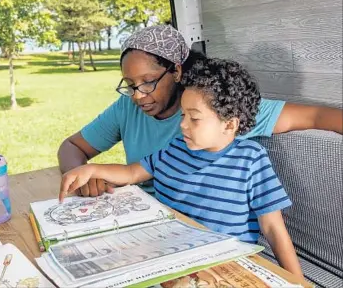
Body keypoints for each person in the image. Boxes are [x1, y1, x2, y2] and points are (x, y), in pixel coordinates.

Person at [59, 56, 304, 279]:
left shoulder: (251, 160)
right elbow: (132, 173)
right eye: (182, 116)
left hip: (223, 266)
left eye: (194, 118)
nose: (184, 125)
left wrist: (296, 281)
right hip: (170, 258)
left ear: (229, 125)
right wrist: (92, 170)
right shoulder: (177, 148)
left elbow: (273, 228)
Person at [57, 25, 343, 197]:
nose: (138, 96)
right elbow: (71, 146)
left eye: (148, 82)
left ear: (177, 71)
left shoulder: (214, 108)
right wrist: (82, 176)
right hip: (143, 218)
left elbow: (317, 116)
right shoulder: (126, 107)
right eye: (130, 85)